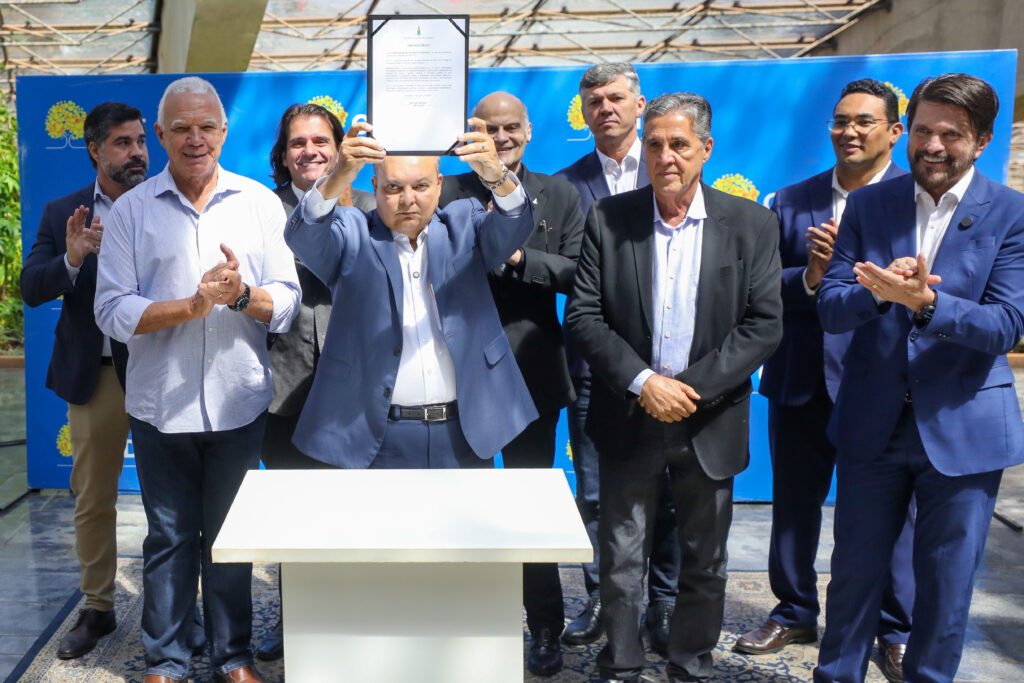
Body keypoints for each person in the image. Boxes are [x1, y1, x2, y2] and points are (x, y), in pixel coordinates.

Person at [814, 73, 1024, 683]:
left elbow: (1008, 325)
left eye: (950, 135)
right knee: (853, 577)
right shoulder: (869, 204)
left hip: (964, 427)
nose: (932, 146)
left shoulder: (1012, 214)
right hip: (871, 424)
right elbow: (831, 307)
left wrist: (927, 305)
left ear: (981, 141)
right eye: (923, 131)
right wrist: (878, 291)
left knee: (946, 586)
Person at [566, 92, 782, 683]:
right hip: (628, 415)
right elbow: (584, 316)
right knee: (621, 557)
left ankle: (690, 662)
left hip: (709, 419)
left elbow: (763, 324)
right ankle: (621, 661)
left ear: (706, 149)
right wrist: (645, 384)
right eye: (656, 143)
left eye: (680, 144)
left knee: (705, 561)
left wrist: (684, 390)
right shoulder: (609, 219)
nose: (666, 156)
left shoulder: (752, 224)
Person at [94, 76, 300, 683]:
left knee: (230, 538)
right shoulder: (131, 211)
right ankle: (167, 658)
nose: (195, 139)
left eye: (207, 126)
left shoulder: (259, 203)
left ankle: (232, 656)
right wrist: (191, 306)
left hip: (239, 400)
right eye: (181, 128)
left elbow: (287, 301)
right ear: (160, 134)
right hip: (161, 404)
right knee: (169, 537)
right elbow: (112, 310)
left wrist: (240, 295)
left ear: (224, 131)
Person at [735, 78, 915, 681]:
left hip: (883, 382)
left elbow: (926, 289)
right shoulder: (791, 201)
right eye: (841, 121)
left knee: (891, 514)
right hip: (803, 377)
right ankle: (793, 611)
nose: (850, 131)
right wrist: (812, 274)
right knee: (793, 505)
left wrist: (865, 276)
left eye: (865, 121)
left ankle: (894, 629)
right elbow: (761, 288)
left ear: (894, 131)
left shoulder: (915, 199)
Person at [283, 117, 536, 470]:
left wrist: (497, 176)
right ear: (374, 186)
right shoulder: (353, 233)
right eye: (393, 188)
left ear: (439, 184)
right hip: (375, 436)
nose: (408, 200)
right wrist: (338, 176)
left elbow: (516, 222)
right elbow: (304, 235)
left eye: (420, 186)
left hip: (467, 432)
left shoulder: (465, 224)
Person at [438, 91, 584, 676]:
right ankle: (466, 622)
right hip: (454, 372)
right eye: (488, 129)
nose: (500, 139)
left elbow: (578, 272)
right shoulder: (444, 191)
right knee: (463, 508)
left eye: (510, 128)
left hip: (531, 370)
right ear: (469, 134)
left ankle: (545, 625)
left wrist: (518, 258)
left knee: (527, 508)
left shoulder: (560, 193)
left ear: (528, 131)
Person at [556, 62, 681, 653]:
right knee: (595, 493)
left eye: (615, 97)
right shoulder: (565, 185)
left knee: (672, 495)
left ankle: (665, 602)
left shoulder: (674, 169)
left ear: (640, 103)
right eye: (594, 101)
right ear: (583, 112)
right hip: (595, 369)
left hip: (673, 367)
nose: (605, 108)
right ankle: (604, 597)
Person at [20, 101, 146, 660]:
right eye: (123, 143)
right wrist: (70, 261)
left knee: (172, 500)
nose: (137, 152)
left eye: (140, 141)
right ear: (94, 150)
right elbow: (31, 287)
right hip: (96, 380)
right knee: (93, 500)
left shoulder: (166, 203)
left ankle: (174, 608)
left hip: (161, 374)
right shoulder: (61, 212)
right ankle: (98, 606)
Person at [254, 103, 376, 663]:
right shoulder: (261, 210)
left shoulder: (374, 206)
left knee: (362, 514)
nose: (311, 152)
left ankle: (362, 619)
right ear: (282, 155)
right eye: (298, 143)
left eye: (321, 141)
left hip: (364, 391)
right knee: (296, 516)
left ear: (340, 147)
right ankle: (298, 619)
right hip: (285, 387)